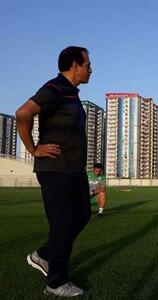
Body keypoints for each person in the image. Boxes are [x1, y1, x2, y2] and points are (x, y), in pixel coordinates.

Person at [16, 46, 92, 297]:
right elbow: (23, 113)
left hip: (75, 170)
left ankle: (44, 255)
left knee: (82, 214)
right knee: (62, 223)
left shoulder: (72, 93)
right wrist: (33, 149)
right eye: (87, 64)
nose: (90, 69)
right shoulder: (55, 87)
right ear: (74, 65)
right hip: (55, 169)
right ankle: (56, 282)